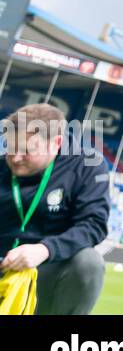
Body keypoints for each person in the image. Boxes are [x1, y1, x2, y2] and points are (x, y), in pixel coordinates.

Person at [0, 103, 110, 314]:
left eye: (27, 151)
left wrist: (45, 249)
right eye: (10, 147)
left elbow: (93, 225)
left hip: (47, 270)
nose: (15, 158)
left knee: (88, 262)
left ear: (56, 143)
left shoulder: (86, 166)